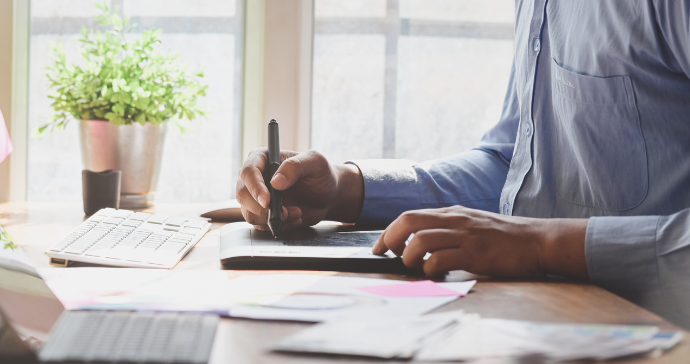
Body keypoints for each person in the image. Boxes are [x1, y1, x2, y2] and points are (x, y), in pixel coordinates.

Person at [237, 1, 690, 327]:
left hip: (660, 352)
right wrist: (345, 189)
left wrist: (542, 245)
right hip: (546, 327)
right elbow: (518, 166)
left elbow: (528, 228)